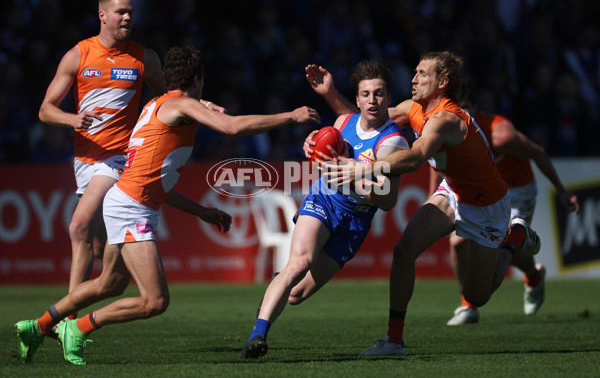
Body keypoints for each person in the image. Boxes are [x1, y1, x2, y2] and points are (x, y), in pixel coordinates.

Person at [15, 44, 321, 365]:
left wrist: (202, 211)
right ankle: (76, 328)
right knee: (154, 301)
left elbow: (158, 185)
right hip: (131, 207)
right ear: (197, 79)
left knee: (110, 283)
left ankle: (37, 326)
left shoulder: (156, 105)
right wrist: (291, 115)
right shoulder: (179, 106)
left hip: (126, 200)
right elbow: (232, 127)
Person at [310, 51, 542, 356]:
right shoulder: (413, 107)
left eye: (422, 73)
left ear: (442, 82)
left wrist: (365, 168)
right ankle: (394, 341)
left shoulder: (446, 119)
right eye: (415, 72)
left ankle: (515, 237)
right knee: (404, 250)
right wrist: (327, 109)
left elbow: (417, 157)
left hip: (487, 206)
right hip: (453, 191)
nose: (414, 78)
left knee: (476, 296)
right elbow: (363, 122)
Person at [37, 0, 225, 322]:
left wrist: (204, 105)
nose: (127, 17)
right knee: (97, 250)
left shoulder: (143, 57)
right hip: (85, 161)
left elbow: (172, 96)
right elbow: (45, 110)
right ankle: (99, 296)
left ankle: (64, 321)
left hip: (119, 158)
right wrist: (72, 118)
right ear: (102, 16)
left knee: (78, 227)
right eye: (121, 12)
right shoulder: (78, 55)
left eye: (131, 12)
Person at [241, 60, 408, 359]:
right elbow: (326, 144)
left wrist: (357, 175)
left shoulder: (392, 142)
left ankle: (278, 286)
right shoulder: (344, 122)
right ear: (357, 99)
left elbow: (389, 200)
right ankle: (258, 336)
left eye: (379, 93)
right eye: (366, 94)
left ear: (389, 98)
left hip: (357, 219)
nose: (373, 100)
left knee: (296, 294)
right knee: (299, 261)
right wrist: (313, 143)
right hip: (325, 198)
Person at [439, 101, 580, 325]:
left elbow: (538, 152)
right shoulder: (447, 128)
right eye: (455, 108)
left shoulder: (500, 134)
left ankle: (533, 277)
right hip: (482, 191)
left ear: (475, 108)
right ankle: (468, 305)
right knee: (457, 244)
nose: (459, 114)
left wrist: (562, 191)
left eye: (464, 108)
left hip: (516, 191)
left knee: (499, 249)